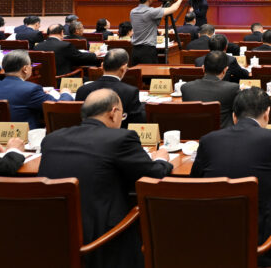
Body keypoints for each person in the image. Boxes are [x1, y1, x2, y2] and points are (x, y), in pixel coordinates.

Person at [40, 89, 173, 268]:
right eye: (122, 115)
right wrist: (161, 159)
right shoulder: (120, 138)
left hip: (51, 237)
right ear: (113, 112)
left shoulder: (51, 139)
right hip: (102, 242)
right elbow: (154, 174)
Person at [191, 88, 271, 268]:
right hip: (263, 246)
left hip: (213, 238)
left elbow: (195, 181)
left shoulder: (208, 140)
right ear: (267, 114)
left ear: (234, 116)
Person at [0, 51, 74, 128]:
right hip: (25, 137)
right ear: (25, 69)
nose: (31, 67)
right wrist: (65, 93)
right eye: (30, 64)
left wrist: (40, 95)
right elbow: (60, 107)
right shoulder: (31, 89)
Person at [75, 49, 145, 124]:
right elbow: (136, 123)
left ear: (102, 66)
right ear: (124, 68)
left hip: (88, 131)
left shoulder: (82, 90)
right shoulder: (130, 92)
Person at [181, 51, 240, 127]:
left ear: (203, 68)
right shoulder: (233, 88)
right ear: (225, 70)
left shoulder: (186, 88)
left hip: (194, 132)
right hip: (222, 133)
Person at [129, 0, 184, 65]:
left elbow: (155, 12)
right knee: (149, 73)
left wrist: (163, 5)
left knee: (137, 73)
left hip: (135, 51)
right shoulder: (151, 12)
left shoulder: (133, 12)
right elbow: (173, 9)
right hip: (147, 52)